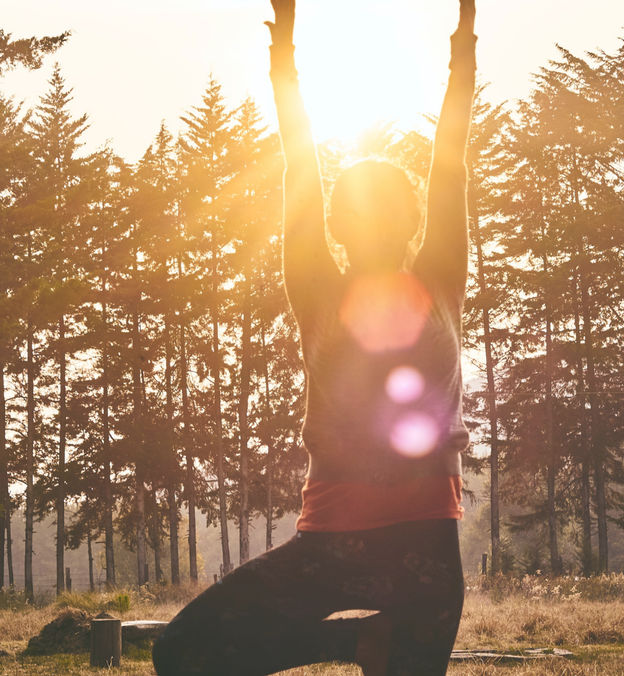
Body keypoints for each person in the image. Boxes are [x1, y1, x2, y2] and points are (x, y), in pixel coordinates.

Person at [152, 1, 476, 673]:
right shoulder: (317, 290)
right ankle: (353, 644)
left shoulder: (441, 278)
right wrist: (284, 61)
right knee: (181, 654)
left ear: (414, 222)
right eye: (352, 212)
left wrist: (463, 43)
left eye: (387, 210)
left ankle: (365, 644)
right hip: (332, 545)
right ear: (334, 226)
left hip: (422, 555)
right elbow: (299, 164)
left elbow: (452, 154)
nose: (370, 223)